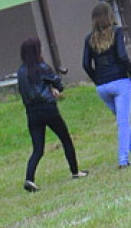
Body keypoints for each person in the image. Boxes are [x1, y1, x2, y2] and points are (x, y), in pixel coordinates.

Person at [17, 37, 88, 192]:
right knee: (65, 139)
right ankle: (75, 171)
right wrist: (52, 89)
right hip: (48, 109)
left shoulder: (21, 72)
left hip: (31, 113)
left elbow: (24, 91)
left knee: (38, 148)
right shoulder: (42, 67)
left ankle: (29, 179)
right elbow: (59, 85)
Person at [82, 1, 131, 168]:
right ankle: (123, 160)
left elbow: (85, 64)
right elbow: (122, 55)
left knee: (122, 120)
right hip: (120, 82)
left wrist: (97, 80)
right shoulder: (117, 32)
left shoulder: (89, 38)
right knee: (123, 122)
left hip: (102, 87)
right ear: (110, 16)